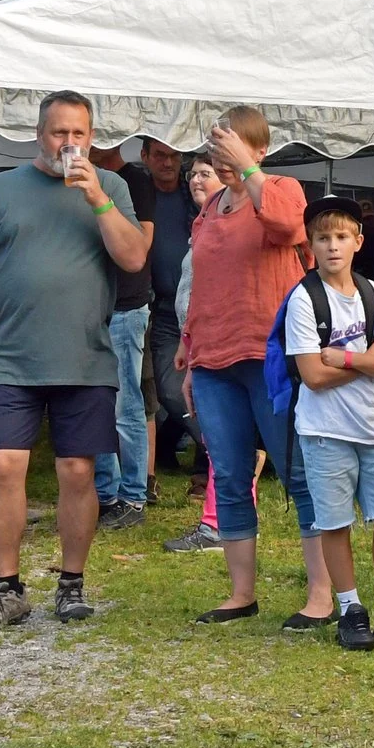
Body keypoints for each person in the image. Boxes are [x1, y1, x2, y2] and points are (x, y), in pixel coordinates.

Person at [0, 92, 149, 631]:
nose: (69, 144)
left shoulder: (112, 187)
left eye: (78, 134)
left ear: (92, 136)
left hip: (86, 357)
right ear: (39, 135)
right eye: (59, 133)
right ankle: (7, 586)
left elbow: (132, 257)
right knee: (6, 465)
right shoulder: (1, 189)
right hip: (13, 356)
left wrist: (97, 198)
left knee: (78, 471)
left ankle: (71, 583)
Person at [182, 106, 329, 627]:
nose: (221, 159)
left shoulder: (282, 188)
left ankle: (321, 594)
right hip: (213, 358)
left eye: (233, 147)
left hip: (271, 357)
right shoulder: (209, 208)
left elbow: (290, 226)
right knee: (229, 474)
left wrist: (249, 169)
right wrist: (188, 351)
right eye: (216, 147)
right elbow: (204, 281)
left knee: (298, 471)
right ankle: (241, 593)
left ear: (258, 150)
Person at [285, 195, 374, 653]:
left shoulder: (372, 293)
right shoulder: (304, 299)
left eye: (341, 237)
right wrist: (370, 361)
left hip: (373, 426)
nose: (332, 247)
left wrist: (346, 356)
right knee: (335, 522)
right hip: (325, 430)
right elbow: (313, 375)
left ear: (358, 242)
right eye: (323, 238)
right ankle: (350, 609)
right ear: (310, 245)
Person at [86, 140, 160, 527]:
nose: (81, 144)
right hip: (89, 304)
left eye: (87, 135)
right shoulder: (81, 179)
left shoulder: (135, 180)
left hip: (127, 305)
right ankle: (105, 492)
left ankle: (132, 496)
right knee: (96, 401)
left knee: (126, 403)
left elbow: (140, 247)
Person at [163, 154, 226, 554]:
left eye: (206, 173)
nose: (195, 179)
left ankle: (218, 525)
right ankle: (221, 521)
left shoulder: (226, 222)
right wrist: (187, 343)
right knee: (219, 435)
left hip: (220, 342)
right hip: (200, 343)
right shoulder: (203, 223)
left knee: (223, 437)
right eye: (193, 174)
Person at [140, 138, 198, 478]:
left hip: (202, 307)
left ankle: (215, 457)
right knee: (170, 388)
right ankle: (227, 449)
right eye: (160, 155)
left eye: (175, 155)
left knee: (203, 384)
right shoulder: (138, 196)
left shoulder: (194, 193)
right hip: (160, 308)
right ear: (145, 157)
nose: (168, 162)